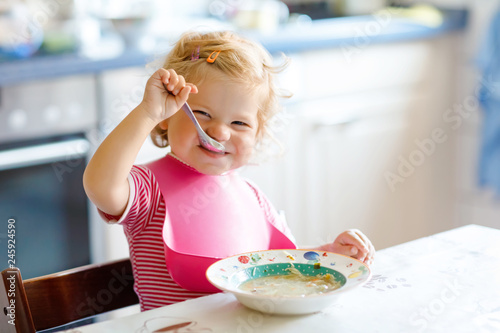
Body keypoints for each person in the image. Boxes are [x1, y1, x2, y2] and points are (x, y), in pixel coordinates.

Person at [83, 30, 375, 312]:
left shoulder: (252, 197)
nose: (220, 132)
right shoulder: (147, 187)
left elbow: (281, 266)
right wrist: (147, 112)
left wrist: (331, 255)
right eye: (202, 114)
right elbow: (101, 186)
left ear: (258, 135)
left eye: (239, 124)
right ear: (166, 117)